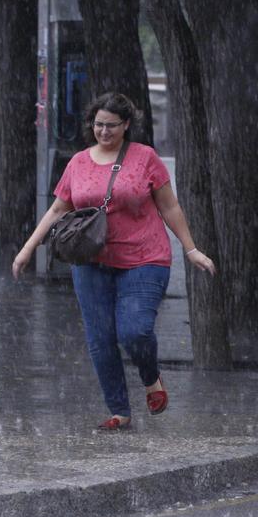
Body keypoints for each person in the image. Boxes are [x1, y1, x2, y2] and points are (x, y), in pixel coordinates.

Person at [13, 92, 217, 431]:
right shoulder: (78, 162)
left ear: (126, 125)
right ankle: (120, 412)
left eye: (111, 125)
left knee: (134, 330)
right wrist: (27, 249)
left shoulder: (145, 158)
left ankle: (151, 378)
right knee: (100, 338)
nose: (104, 132)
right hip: (91, 261)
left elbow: (169, 207)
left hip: (144, 257)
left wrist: (191, 249)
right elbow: (58, 209)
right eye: (98, 124)